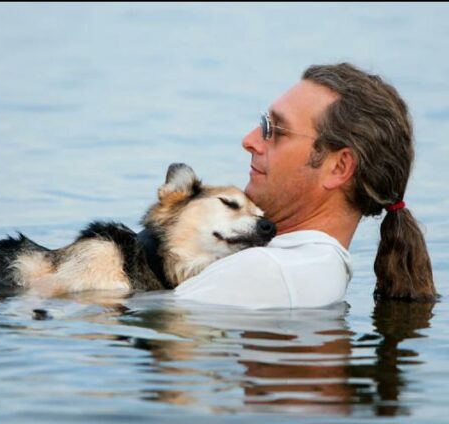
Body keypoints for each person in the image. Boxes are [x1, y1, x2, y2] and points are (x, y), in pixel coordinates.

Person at [174, 63, 437, 308]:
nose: (250, 140)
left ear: (339, 167)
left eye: (275, 130)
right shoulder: (312, 266)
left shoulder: (268, 271)